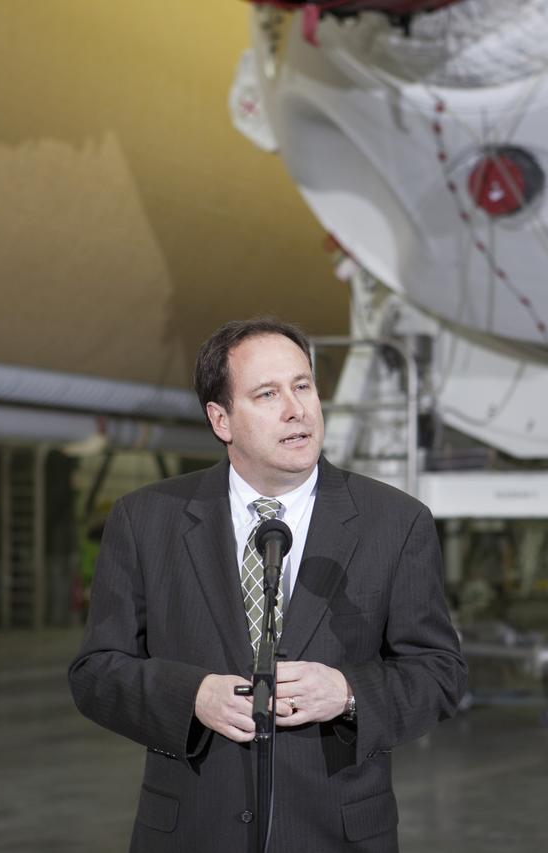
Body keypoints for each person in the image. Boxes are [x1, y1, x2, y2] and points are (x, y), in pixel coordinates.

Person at [69, 317, 467, 852]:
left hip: (337, 835)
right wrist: (192, 696)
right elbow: (96, 672)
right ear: (222, 419)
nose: (296, 408)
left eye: (303, 386)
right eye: (267, 393)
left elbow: (439, 672)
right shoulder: (146, 521)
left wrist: (348, 694)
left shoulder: (395, 523)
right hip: (191, 833)